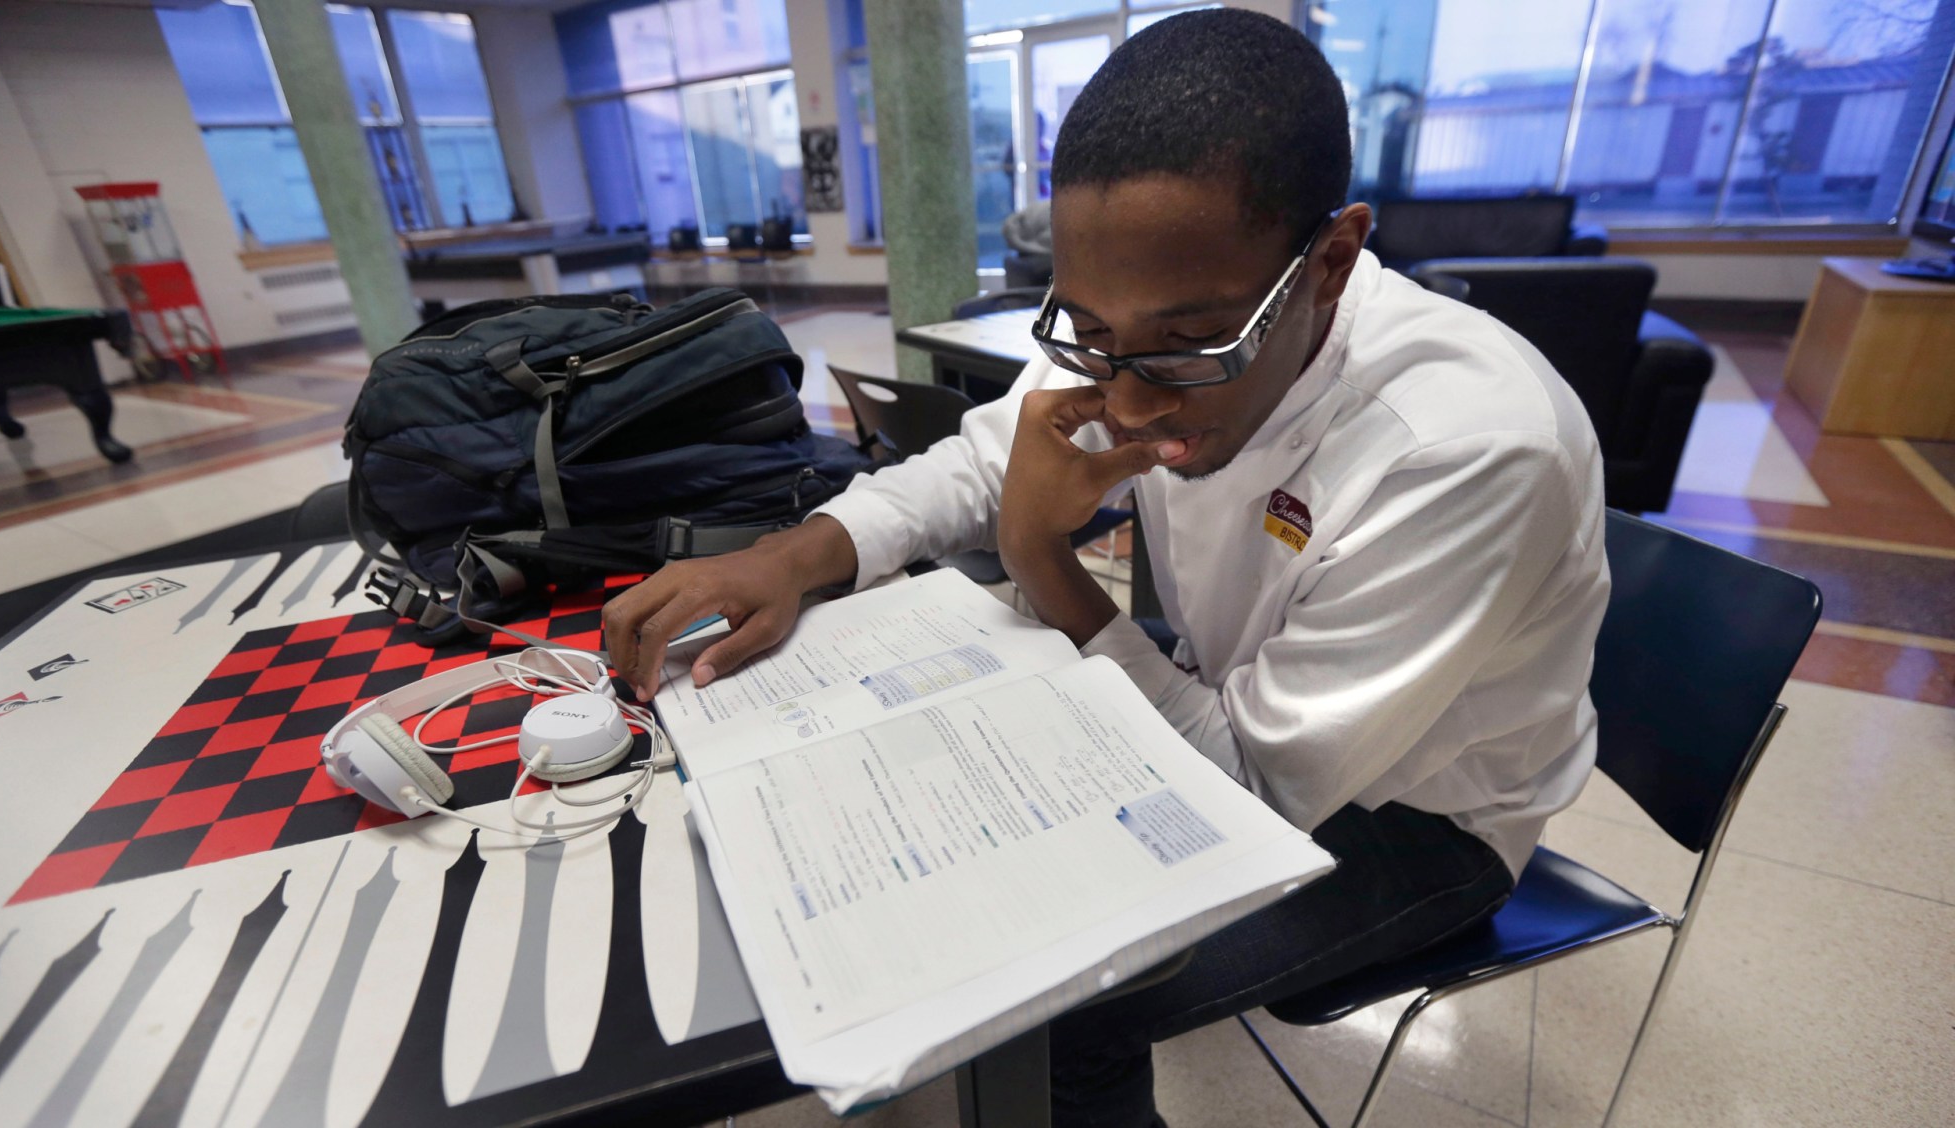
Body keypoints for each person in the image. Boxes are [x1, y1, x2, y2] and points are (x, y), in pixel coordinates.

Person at [604, 10, 1609, 1126]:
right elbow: (989, 457)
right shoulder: (1145, 310)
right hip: (1229, 699)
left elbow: (1248, 787)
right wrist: (798, 554)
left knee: (1068, 998)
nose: (1126, 401)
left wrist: (1044, 559)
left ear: (1327, 264)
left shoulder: (1463, 448)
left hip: (1416, 816)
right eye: (1087, 334)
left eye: (1186, 348)